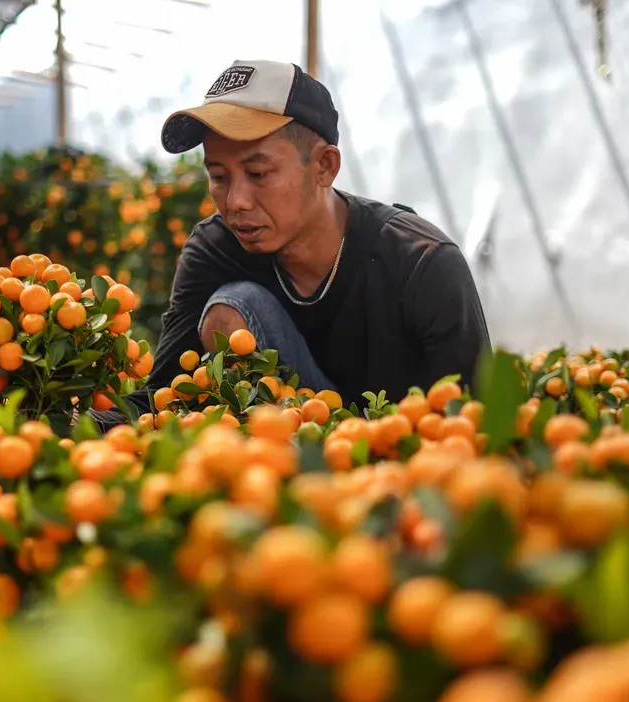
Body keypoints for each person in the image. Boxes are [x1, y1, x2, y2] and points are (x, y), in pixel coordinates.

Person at [93, 59, 490, 428]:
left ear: (324, 166)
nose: (235, 202)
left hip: (396, 462)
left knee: (238, 303)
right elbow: (162, 399)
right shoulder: (215, 249)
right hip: (274, 461)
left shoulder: (421, 264)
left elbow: (471, 424)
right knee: (234, 304)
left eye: (258, 173)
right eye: (219, 176)